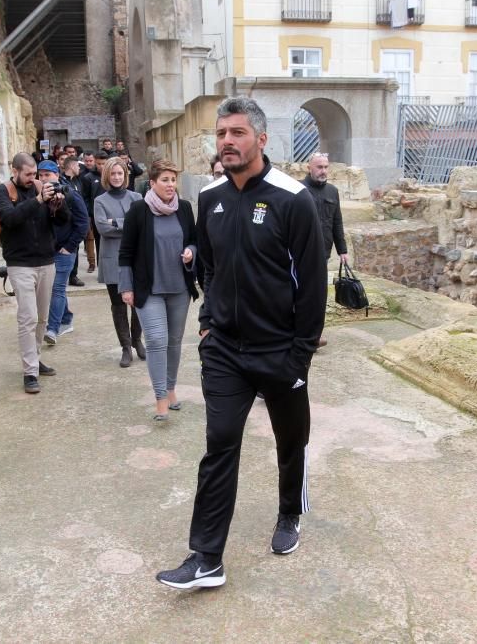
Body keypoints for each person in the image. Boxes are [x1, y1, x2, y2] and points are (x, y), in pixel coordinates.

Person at [156, 97, 326, 589]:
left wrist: (300, 356)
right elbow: (208, 267)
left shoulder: (293, 200)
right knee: (219, 445)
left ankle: (289, 514)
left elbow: (313, 287)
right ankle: (206, 557)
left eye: (237, 133)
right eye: (221, 134)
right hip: (226, 350)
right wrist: (209, 324)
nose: (227, 141)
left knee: (290, 443)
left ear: (261, 139)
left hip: (281, 352)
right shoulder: (209, 199)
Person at [118, 159, 199, 421]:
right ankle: (160, 397)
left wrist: (191, 252)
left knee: (174, 342)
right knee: (156, 342)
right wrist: (126, 286)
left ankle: (172, 388)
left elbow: (195, 241)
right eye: (165, 180)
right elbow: (126, 252)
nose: (170, 185)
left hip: (179, 288)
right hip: (148, 289)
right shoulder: (138, 210)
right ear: (152, 183)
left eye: (173, 180)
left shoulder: (184, 209)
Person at [0, 153, 69, 394]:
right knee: (28, 318)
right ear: (14, 170)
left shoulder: (41, 187)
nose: (32, 178)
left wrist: (59, 205)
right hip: (20, 264)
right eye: (27, 174)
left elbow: (62, 222)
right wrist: (37, 200)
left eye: (34, 174)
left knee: (43, 318)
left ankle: (34, 359)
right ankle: (29, 372)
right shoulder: (3, 192)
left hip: (46, 261)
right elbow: (10, 218)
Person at [95, 156, 146, 367]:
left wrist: (115, 222)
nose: (117, 177)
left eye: (120, 173)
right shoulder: (100, 201)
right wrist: (127, 224)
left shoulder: (136, 197)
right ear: (107, 175)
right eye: (113, 173)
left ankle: (137, 340)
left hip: (135, 257)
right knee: (118, 305)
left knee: (138, 303)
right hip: (111, 259)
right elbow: (102, 228)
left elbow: (141, 224)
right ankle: (125, 346)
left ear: (126, 175)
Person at [301, 151, 350, 348]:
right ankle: (299, 334)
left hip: (323, 253)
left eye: (326, 167)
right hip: (301, 253)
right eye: (319, 167)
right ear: (309, 167)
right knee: (301, 295)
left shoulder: (332, 191)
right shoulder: (298, 190)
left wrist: (343, 250)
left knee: (320, 295)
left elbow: (337, 221)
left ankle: (315, 335)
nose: (323, 171)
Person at [42, 159, 89, 344]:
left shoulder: (69, 194)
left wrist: (70, 247)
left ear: (57, 174)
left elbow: (83, 223)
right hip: (48, 249)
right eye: (41, 175)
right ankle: (66, 318)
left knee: (57, 288)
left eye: (48, 174)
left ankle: (52, 329)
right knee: (56, 288)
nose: (44, 178)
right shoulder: (41, 195)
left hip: (65, 250)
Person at [60, 156, 87, 288]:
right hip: (66, 225)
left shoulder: (77, 181)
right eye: (77, 166)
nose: (79, 168)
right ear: (71, 166)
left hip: (77, 224)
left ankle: (73, 275)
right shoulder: (62, 183)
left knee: (74, 249)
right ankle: (69, 275)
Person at [79, 151, 103, 274]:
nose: (102, 166)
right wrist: (89, 213)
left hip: (110, 215)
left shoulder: (111, 175)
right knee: (93, 239)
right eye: (99, 163)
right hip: (93, 214)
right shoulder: (86, 177)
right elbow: (85, 197)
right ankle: (94, 264)